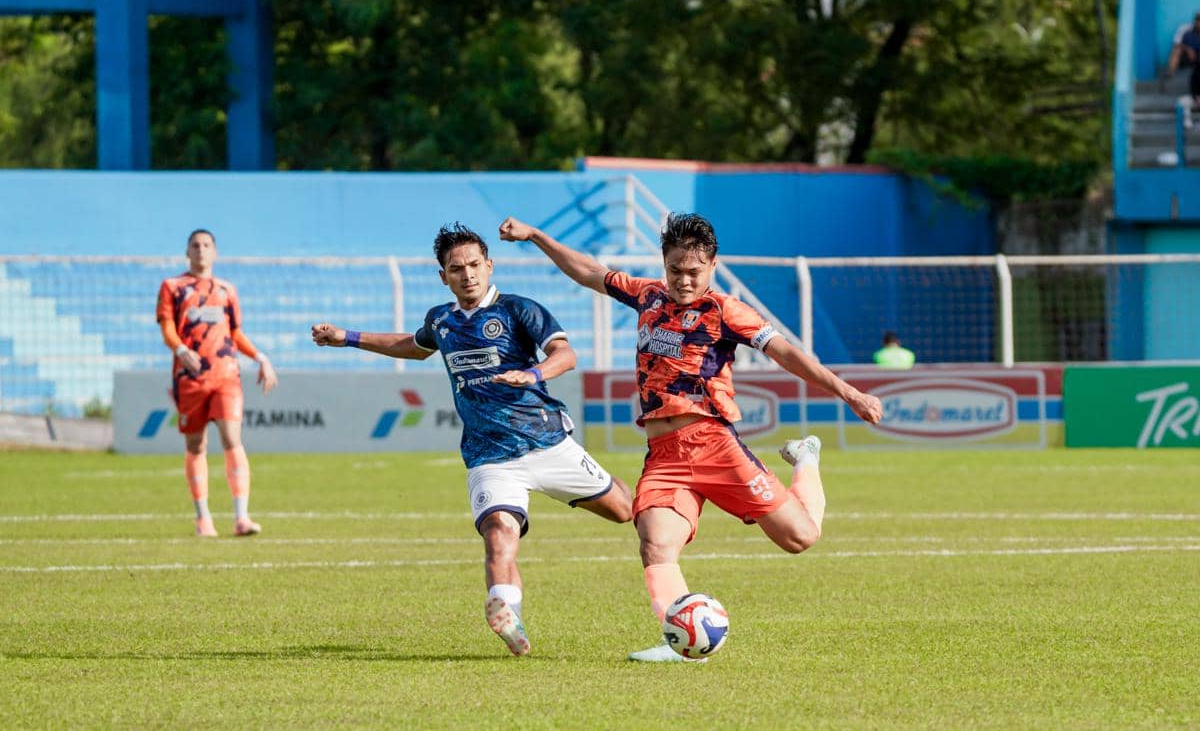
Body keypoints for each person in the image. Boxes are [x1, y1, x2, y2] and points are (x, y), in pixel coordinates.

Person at [498, 213, 883, 663]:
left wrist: (848, 392)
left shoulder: (726, 311)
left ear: (713, 265)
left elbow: (788, 355)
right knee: (655, 543)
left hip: (714, 443)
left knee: (800, 538)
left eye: (694, 271)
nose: (683, 279)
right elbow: (589, 271)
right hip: (663, 455)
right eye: (675, 269)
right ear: (664, 262)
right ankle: (678, 644)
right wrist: (537, 236)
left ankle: (806, 458)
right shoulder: (647, 295)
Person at [311, 222, 633, 658]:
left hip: (547, 442)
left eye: (475, 265)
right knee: (499, 533)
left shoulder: (520, 309)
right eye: (456, 268)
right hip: (489, 456)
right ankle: (507, 613)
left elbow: (566, 355)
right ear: (443, 275)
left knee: (625, 510)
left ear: (489, 265)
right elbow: (413, 344)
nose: (468, 274)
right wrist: (347, 338)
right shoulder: (440, 320)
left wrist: (532, 373)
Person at [156, 229, 278, 538]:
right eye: (195, 245)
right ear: (187, 251)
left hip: (226, 375)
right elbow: (168, 328)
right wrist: (181, 349)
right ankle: (203, 518)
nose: (201, 250)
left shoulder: (226, 290)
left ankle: (241, 517)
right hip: (190, 377)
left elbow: (235, 333)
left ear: (215, 252)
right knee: (196, 445)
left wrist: (260, 357)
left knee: (232, 439)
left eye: (206, 245)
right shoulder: (172, 287)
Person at [1167, 12, 1200, 108]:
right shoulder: (1186, 31)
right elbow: (1177, 44)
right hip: (1187, 58)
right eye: (1198, 20)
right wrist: (1188, 48)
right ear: (1195, 21)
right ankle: (1170, 73)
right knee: (1176, 51)